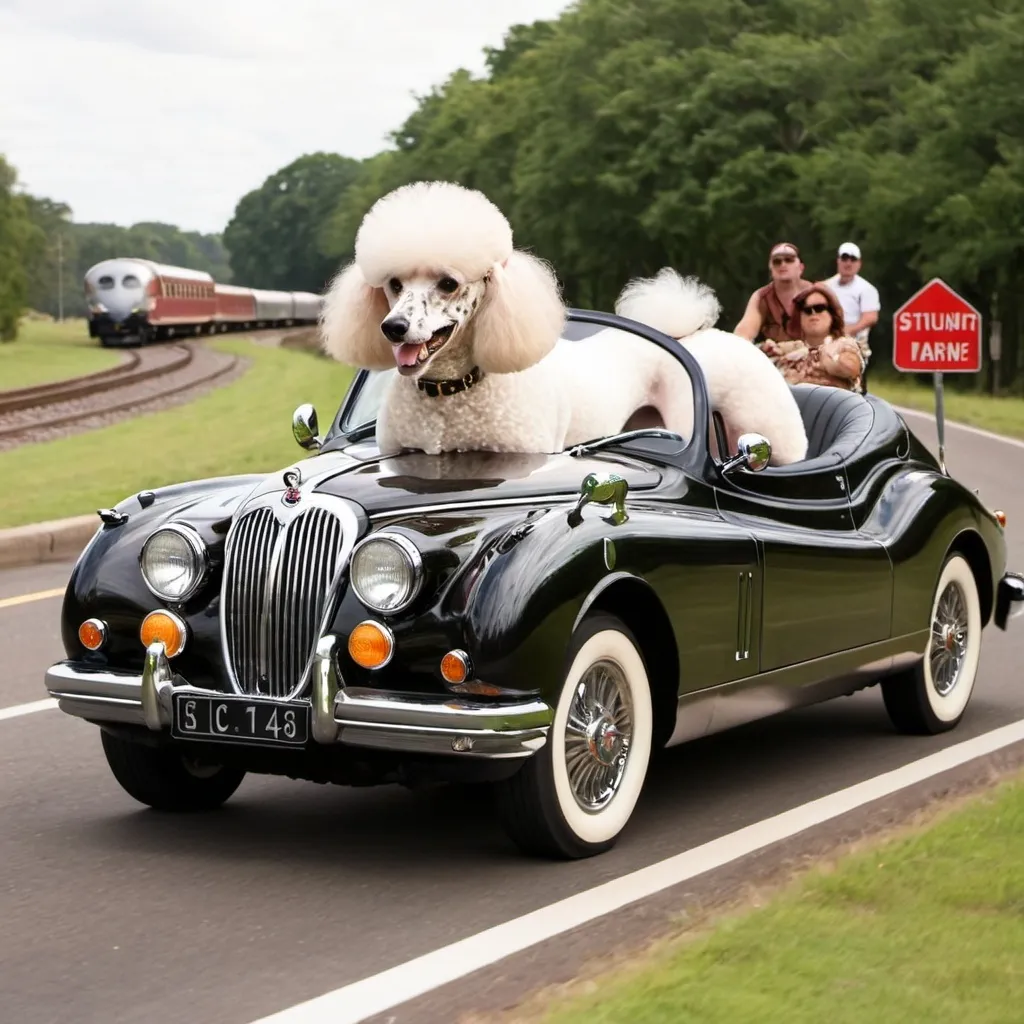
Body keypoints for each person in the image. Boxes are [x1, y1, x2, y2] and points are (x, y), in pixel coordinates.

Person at [761, 284, 864, 391]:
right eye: (807, 310)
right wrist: (765, 352)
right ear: (799, 317)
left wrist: (826, 359)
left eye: (819, 308)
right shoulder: (790, 349)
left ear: (832, 314)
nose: (813, 313)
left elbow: (850, 368)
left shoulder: (844, 344)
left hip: (835, 404)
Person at [823, 242, 880, 391]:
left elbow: (870, 317)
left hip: (854, 346)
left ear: (859, 263)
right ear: (838, 261)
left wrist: (847, 331)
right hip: (827, 343)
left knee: (854, 389)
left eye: (853, 259)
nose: (848, 262)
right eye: (845, 258)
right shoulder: (826, 286)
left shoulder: (866, 289)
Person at [734, 242, 814, 344]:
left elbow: (838, 329)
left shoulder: (816, 293)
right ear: (770, 268)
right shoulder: (761, 297)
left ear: (801, 267)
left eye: (789, 259)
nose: (782, 264)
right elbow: (742, 335)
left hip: (814, 354)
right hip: (773, 357)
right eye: (777, 261)